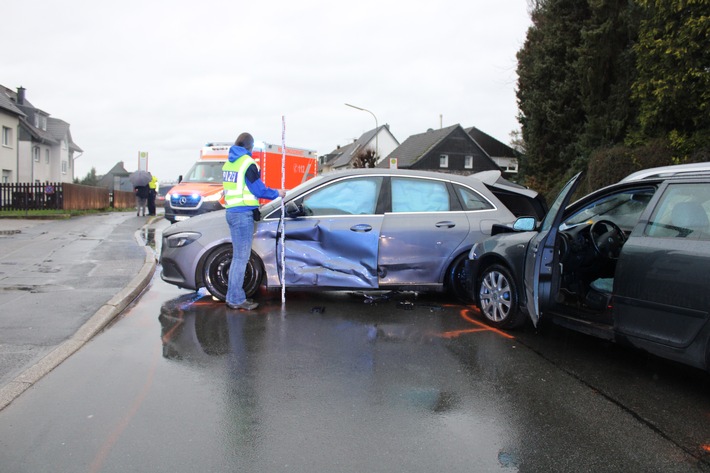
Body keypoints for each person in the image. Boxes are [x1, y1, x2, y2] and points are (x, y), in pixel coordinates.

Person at [222, 132, 285, 311]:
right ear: (249, 147)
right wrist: (277, 193)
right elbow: (258, 189)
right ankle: (235, 299)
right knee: (241, 258)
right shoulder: (247, 163)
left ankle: (232, 296)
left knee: (238, 258)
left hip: (232, 212)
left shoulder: (230, 162)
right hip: (242, 215)